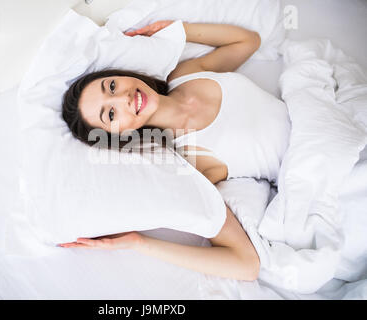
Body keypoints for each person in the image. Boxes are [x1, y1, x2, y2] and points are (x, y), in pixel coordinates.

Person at [59, 21, 291, 281]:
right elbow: (246, 265)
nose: (123, 98)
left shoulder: (187, 73)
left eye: (111, 86)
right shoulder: (193, 165)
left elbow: (249, 41)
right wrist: (138, 242)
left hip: (314, 115)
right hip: (309, 165)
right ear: (118, 136)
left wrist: (176, 29)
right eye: (111, 114)